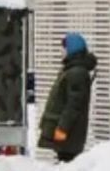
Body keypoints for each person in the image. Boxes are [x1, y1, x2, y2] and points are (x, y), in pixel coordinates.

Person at [38, 32, 97, 164]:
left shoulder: (76, 73)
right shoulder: (71, 70)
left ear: (72, 48)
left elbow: (73, 106)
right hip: (67, 135)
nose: (62, 51)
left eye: (64, 48)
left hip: (70, 135)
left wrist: (62, 129)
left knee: (67, 162)